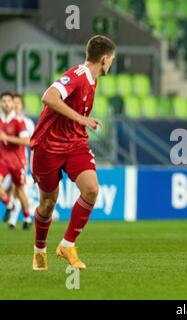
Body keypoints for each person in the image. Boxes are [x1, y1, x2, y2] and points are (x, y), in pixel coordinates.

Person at [30, 35, 116, 271]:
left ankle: (67, 245)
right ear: (105, 59)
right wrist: (81, 119)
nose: (111, 65)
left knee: (92, 189)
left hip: (75, 143)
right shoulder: (78, 76)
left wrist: (80, 125)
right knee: (48, 203)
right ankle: (39, 251)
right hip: (48, 146)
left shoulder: (93, 81)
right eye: (112, 60)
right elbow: (48, 96)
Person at [2, 93, 36, 229]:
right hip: (4, 160)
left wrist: (33, 164)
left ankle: (25, 218)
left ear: (21, 105)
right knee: (12, 190)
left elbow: (30, 142)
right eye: (12, 102)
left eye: (17, 103)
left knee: (18, 190)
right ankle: (12, 212)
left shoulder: (25, 122)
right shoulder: (3, 120)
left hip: (20, 160)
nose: (14, 105)